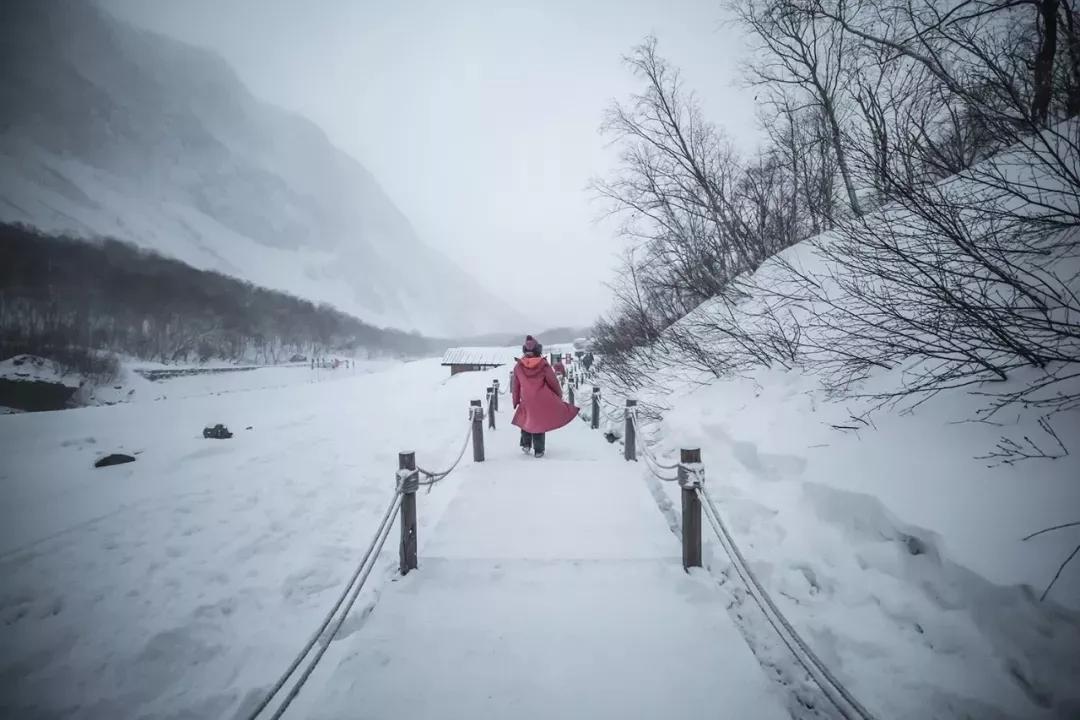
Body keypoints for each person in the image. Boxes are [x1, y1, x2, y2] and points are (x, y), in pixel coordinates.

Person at [511, 336, 579, 457]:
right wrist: (558, 395)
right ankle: (539, 450)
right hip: (541, 399)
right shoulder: (543, 365)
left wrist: (515, 400)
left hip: (526, 399)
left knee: (526, 420)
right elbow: (553, 382)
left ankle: (526, 445)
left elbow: (515, 386)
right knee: (539, 423)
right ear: (538, 349)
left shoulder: (518, 366)